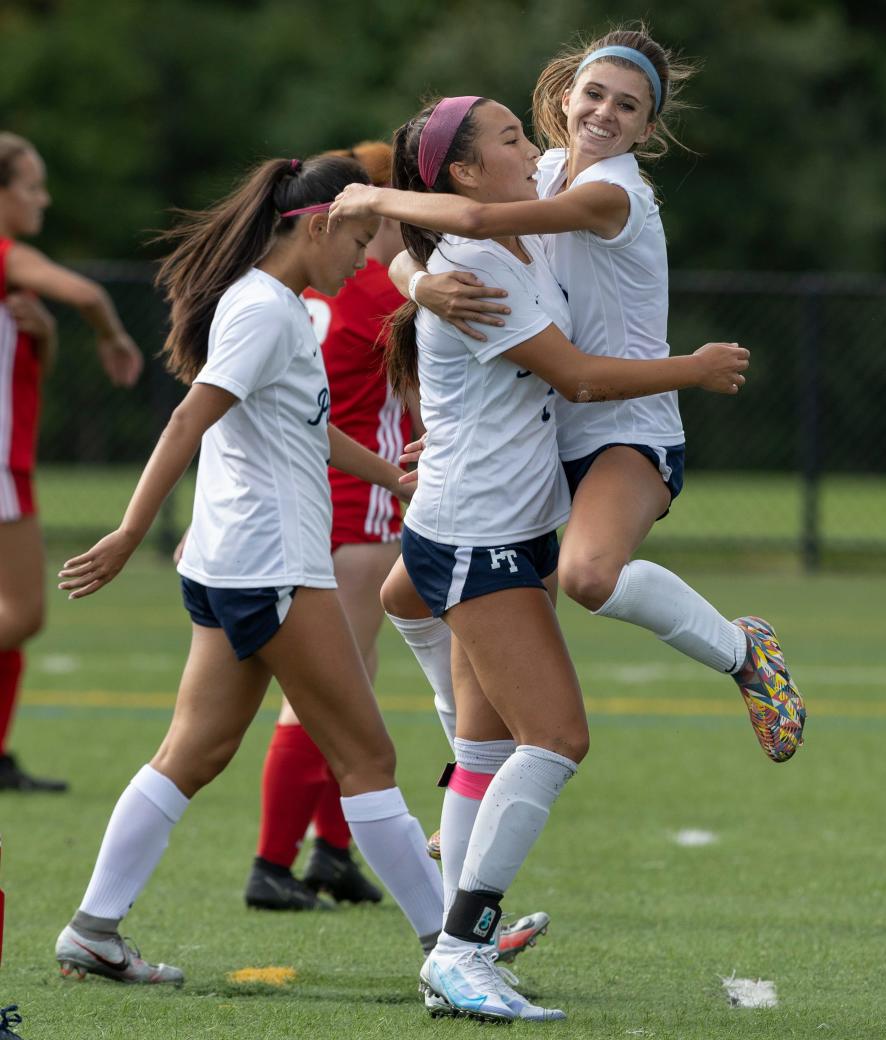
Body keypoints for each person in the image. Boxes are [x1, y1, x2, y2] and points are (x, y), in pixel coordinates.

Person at [330, 94, 747, 1022]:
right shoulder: (484, 256)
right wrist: (695, 368)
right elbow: (579, 376)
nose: (537, 145)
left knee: (481, 746)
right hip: (479, 534)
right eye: (513, 137)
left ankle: (455, 943)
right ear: (471, 172)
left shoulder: (515, 233)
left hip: (473, 527)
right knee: (555, 738)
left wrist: (407, 270)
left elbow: (432, 230)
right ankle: (463, 948)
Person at [332, 24, 806, 769]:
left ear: (648, 129)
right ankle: (470, 775)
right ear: (566, 96)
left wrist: (371, 191)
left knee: (589, 576)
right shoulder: (541, 167)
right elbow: (417, 257)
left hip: (626, 425)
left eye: (629, 105)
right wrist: (422, 285)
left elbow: (475, 220)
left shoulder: (611, 193)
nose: (605, 113)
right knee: (406, 594)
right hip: (550, 425)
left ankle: (744, 650)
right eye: (594, 93)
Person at [53, 153, 445, 986]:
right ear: (318, 225)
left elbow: (301, 425)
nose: (365, 256)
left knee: (192, 751)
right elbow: (190, 418)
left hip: (235, 561)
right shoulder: (266, 311)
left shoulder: (277, 309)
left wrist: (391, 475)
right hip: (269, 564)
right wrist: (128, 532)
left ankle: (92, 930)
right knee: (368, 758)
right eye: (362, 237)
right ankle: (452, 948)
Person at [244, 141, 414, 912]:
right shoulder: (375, 289)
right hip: (354, 502)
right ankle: (272, 864)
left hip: (304, 494)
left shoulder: (294, 285)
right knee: (323, 696)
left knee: (355, 681)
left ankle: (331, 851)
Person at [0, 131, 143, 793]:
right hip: (3, 467)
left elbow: (29, 373)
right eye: (31, 186)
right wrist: (113, 337)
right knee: (23, 614)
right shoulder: (7, 256)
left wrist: (47, 335)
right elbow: (86, 292)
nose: (44, 198)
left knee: (13, 624)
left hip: (12, 458)